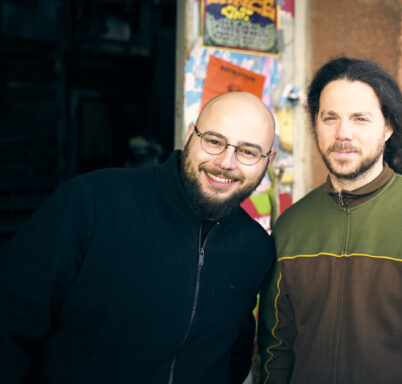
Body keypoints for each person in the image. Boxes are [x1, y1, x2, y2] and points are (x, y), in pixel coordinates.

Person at [0, 92, 277, 383]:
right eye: (214, 141)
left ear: (267, 161)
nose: (225, 162)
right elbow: (9, 324)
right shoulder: (91, 202)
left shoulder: (255, 247)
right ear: (189, 136)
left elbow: (234, 355)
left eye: (247, 152)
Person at [258, 58, 402, 384]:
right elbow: (276, 350)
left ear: (388, 127)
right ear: (316, 124)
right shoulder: (292, 226)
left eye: (360, 119)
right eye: (330, 118)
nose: (343, 133)